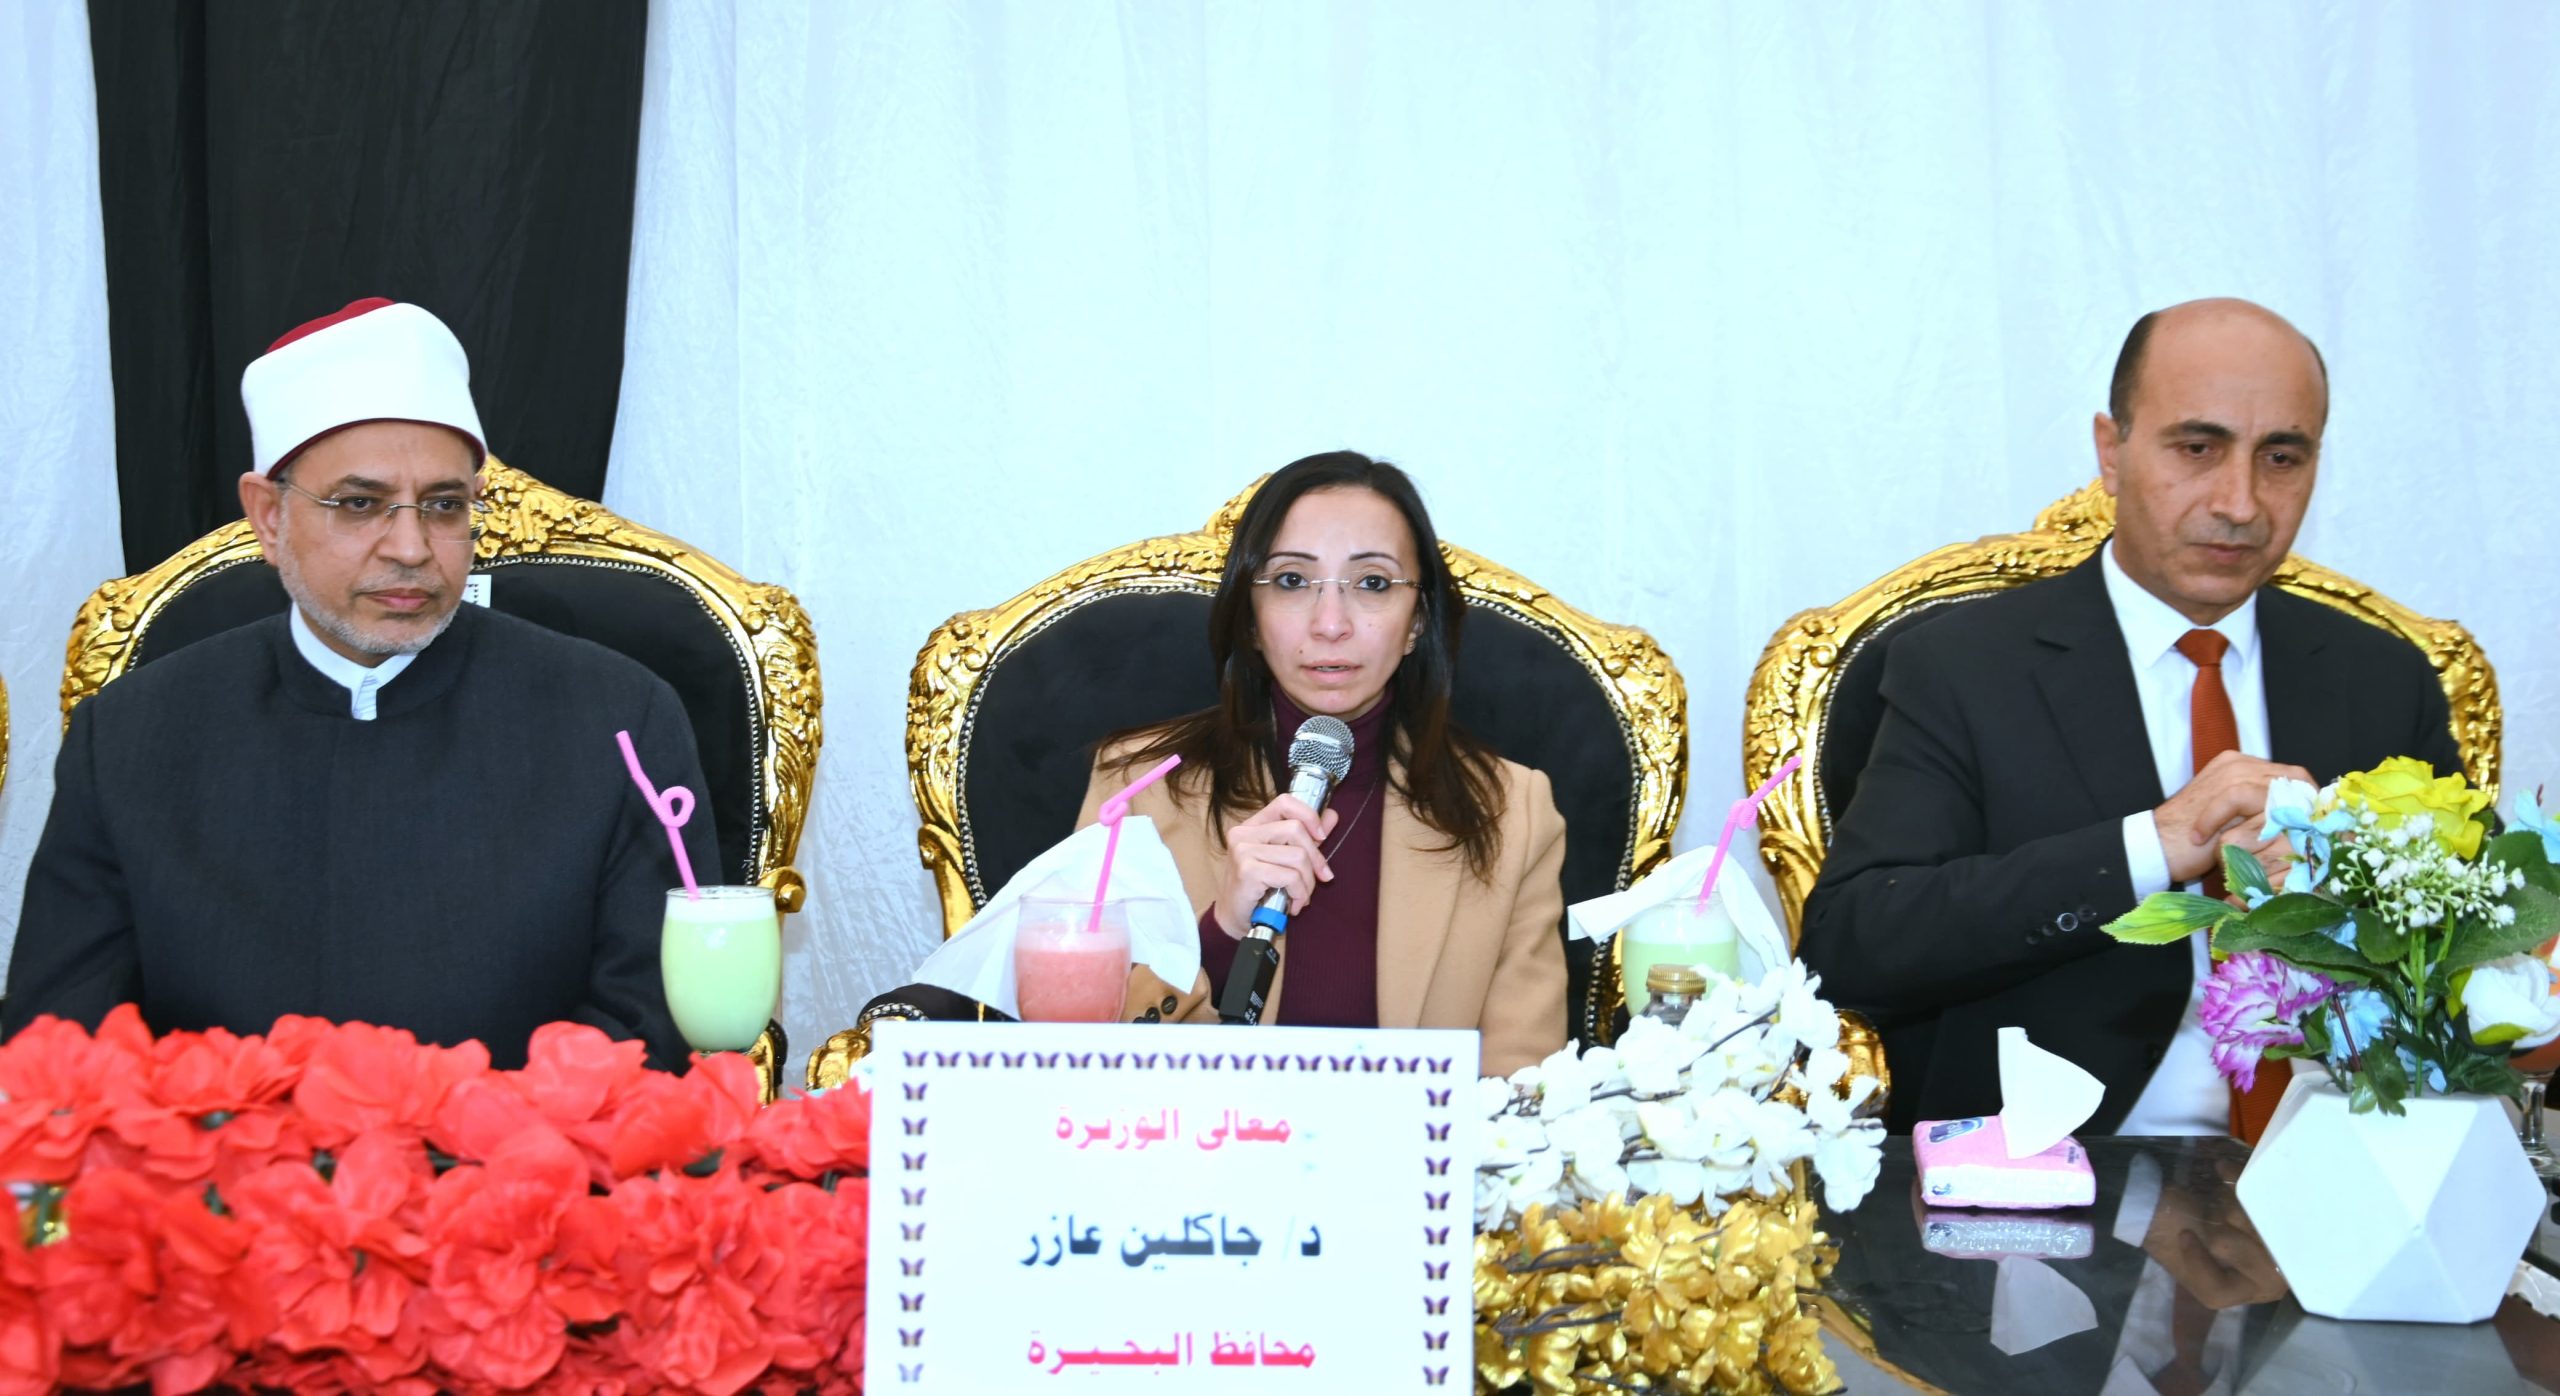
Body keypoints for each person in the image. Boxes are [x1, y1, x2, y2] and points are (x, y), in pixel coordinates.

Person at [1799, 298, 2464, 1136]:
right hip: (2060, 1170)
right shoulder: (1963, 667)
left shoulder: (2383, 677)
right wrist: (2152, 847)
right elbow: (1853, 945)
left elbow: (2465, 954)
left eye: (2281, 457)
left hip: (2341, 1159)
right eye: (2198, 447)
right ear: (2111, 452)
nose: (2241, 502)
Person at [4, 298, 714, 1069]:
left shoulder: (618, 721)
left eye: (443, 506)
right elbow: (59, 1053)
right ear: (268, 517)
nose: (410, 547)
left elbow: (650, 1035)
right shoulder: (133, 735)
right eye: (360, 504)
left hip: (528, 1147)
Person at [1078, 451, 1567, 1075]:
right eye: (1290, 581)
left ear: (1417, 621)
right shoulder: (1136, 787)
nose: (1331, 624)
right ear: (1250, 619)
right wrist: (1221, 930)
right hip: (1188, 1135)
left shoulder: (1512, 812)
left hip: (1417, 1140)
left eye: (1372, 583)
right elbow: (1074, 1050)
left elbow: (1523, 1083)